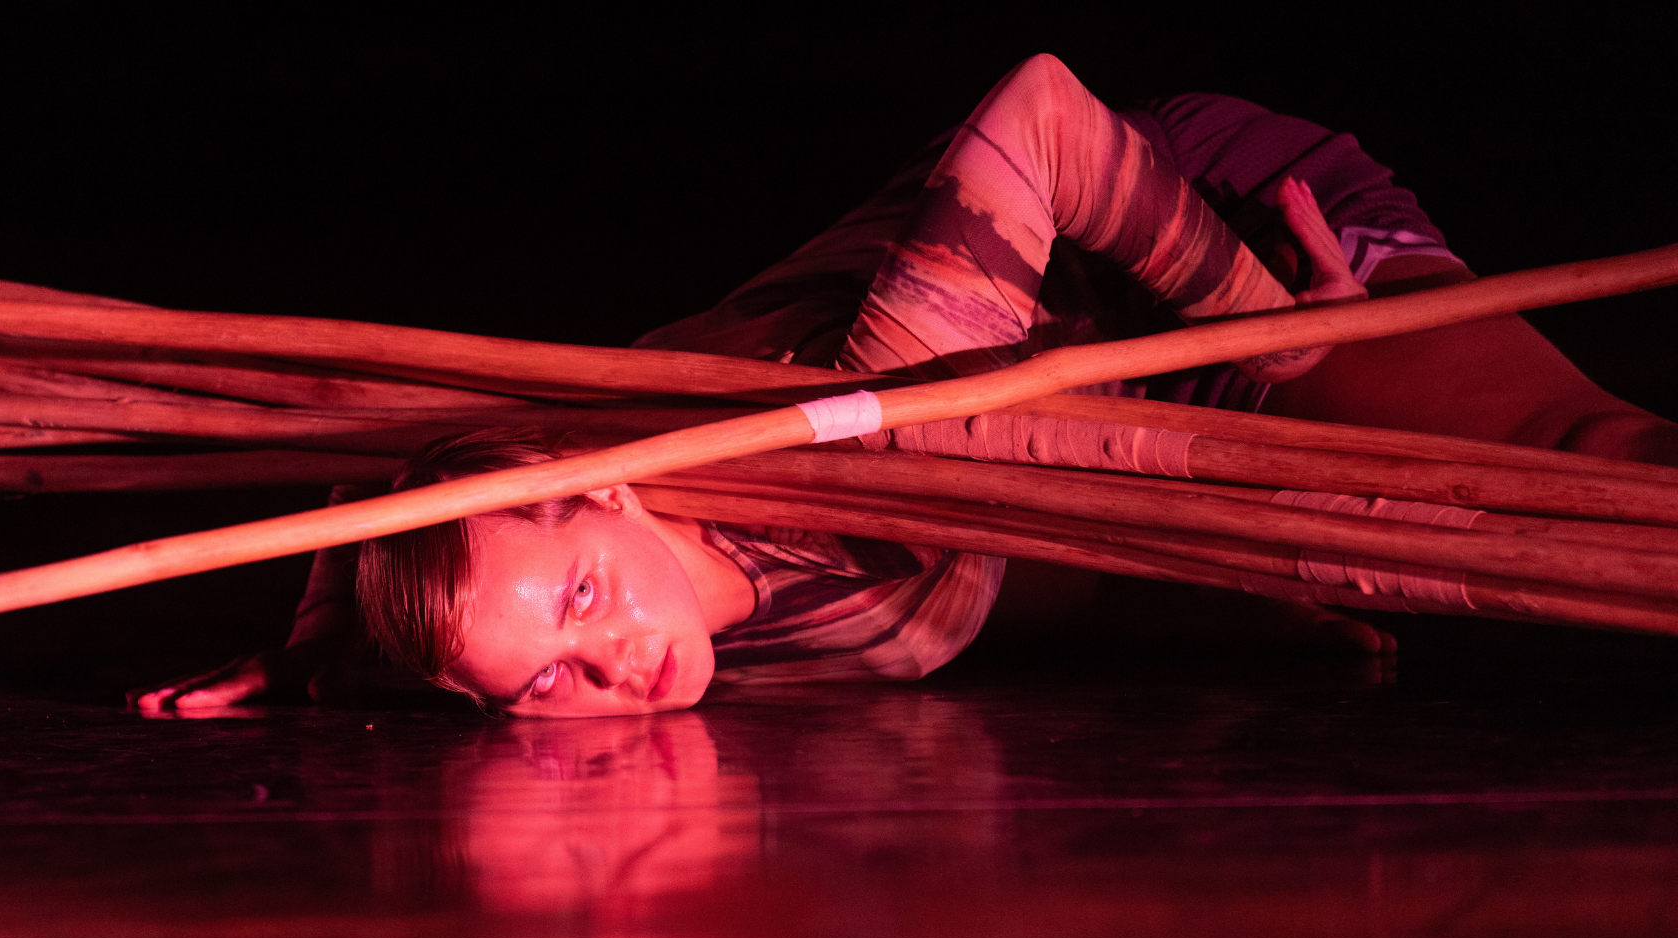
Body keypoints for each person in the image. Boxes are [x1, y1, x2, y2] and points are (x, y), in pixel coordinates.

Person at [135, 55, 1678, 718]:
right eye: (541, 687)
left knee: (1577, 474)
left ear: (602, 488)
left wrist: (1270, 334)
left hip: (1193, 246)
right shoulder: (567, 570)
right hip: (1118, 423)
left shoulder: (867, 417)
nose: (608, 672)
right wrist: (317, 655)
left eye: (588, 602)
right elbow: (425, 503)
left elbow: (1050, 117)